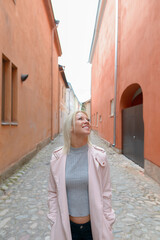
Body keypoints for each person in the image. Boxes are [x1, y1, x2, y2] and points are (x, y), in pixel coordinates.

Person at [47, 111, 115, 240]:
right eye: (80, 118)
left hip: (94, 227)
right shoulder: (57, 158)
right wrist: (53, 217)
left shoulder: (99, 156)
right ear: (70, 127)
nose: (87, 121)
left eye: (88, 119)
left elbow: (106, 191)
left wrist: (108, 219)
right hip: (67, 227)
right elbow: (52, 192)